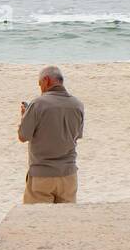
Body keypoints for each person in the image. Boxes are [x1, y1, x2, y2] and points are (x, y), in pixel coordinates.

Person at [17, 65, 84, 204]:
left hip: (42, 175)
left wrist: (24, 117)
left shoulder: (38, 104)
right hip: (68, 174)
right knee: (65, 222)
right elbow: (76, 136)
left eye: (40, 84)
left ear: (46, 80)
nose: (40, 88)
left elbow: (23, 136)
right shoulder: (77, 105)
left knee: (36, 220)